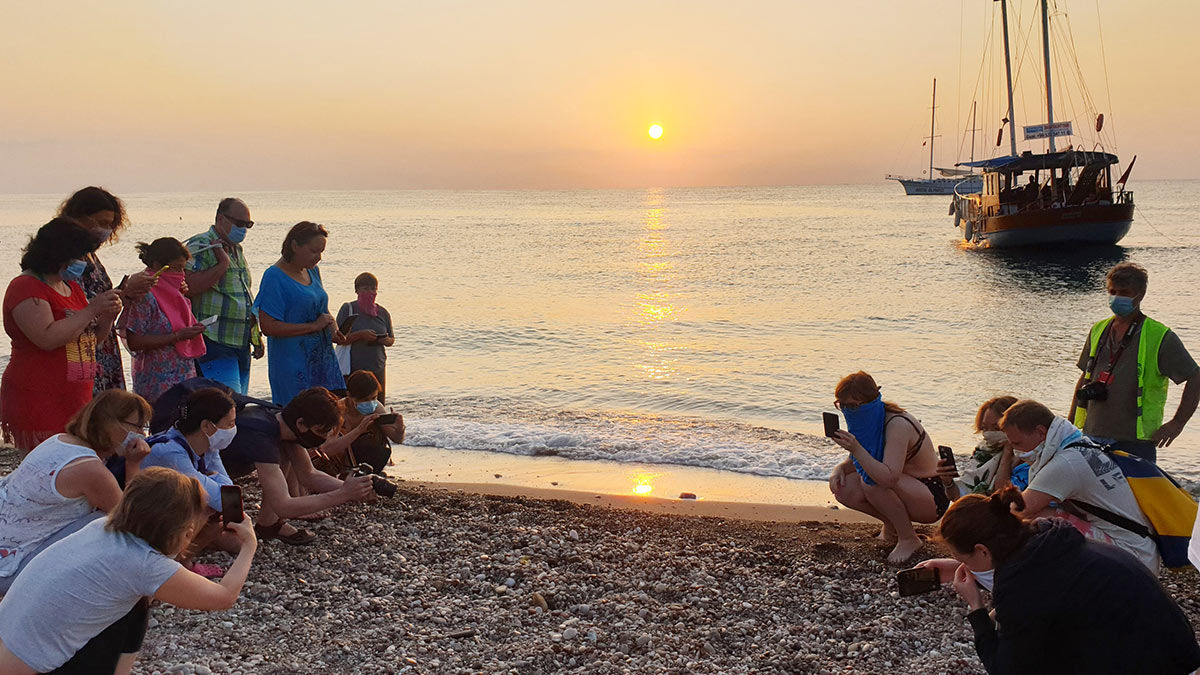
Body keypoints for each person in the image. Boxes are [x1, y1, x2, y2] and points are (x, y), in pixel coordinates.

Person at [0, 467, 259, 674]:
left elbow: (164, 562)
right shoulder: (142, 564)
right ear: (181, 528)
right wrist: (249, 545)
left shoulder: (103, 527)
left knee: (138, 604)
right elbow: (224, 596)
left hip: (8, 642)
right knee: (138, 607)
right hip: (32, 667)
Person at [927, 488, 1200, 674]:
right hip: (1176, 652)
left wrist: (976, 608)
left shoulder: (1024, 583)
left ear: (983, 550)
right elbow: (1045, 596)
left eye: (960, 556)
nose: (961, 563)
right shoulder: (1050, 542)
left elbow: (1004, 667)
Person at [152, 381, 375, 546]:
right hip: (179, 485)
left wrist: (359, 488)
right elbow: (283, 505)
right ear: (301, 423)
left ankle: (268, 525)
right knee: (240, 541)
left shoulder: (283, 422)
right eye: (320, 432)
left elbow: (309, 474)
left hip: (209, 475)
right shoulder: (261, 435)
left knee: (241, 537)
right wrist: (343, 495)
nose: (322, 440)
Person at [0, 390, 152, 594]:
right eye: (138, 427)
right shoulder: (91, 470)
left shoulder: (59, 440)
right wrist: (133, 464)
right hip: (14, 571)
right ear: (112, 424)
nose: (142, 435)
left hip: (8, 549)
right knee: (105, 523)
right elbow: (132, 522)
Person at [0, 218, 122, 452]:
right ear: (58, 254)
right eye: (78, 256)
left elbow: (88, 341)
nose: (83, 262)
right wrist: (92, 309)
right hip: (40, 395)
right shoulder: (26, 286)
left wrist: (106, 317)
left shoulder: (71, 286)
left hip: (76, 396)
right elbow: (46, 338)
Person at [999, 399, 1159, 571]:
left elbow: (1018, 509)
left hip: (1131, 556)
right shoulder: (1080, 445)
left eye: (1017, 443)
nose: (1016, 451)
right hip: (1142, 546)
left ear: (1040, 432)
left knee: (1039, 517)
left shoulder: (1066, 463)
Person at [1070, 262, 1199, 463]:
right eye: (1112, 291)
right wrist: (1069, 428)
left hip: (1135, 440)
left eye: (1124, 292)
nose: (1116, 297)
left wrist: (1178, 423)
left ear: (1140, 294)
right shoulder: (1099, 330)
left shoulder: (1159, 336)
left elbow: (1195, 376)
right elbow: (1084, 378)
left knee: (1134, 495)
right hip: (1092, 433)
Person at [827, 371, 945, 564]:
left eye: (852, 406)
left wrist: (856, 448)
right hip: (907, 487)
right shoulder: (870, 421)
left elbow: (888, 477)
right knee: (844, 487)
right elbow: (862, 462)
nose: (848, 411)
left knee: (872, 483)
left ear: (870, 401)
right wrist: (839, 469)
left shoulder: (896, 423)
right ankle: (892, 526)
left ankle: (908, 538)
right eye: (842, 406)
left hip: (931, 495)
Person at [57, 187, 157, 394]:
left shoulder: (91, 255)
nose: (106, 230)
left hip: (103, 347)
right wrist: (125, 290)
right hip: (80, 352)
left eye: (110, 225)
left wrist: (126, 294)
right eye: (101, 223)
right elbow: (72, 306)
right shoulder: (64, 258)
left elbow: (102, 305)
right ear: (79, 218)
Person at [254, 221, 346, 405]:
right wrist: (312, 327)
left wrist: (334, 331)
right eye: (314, 251)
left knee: (331, 418)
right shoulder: (274, 276)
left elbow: (323, 311)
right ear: (295, 245)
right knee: (301, 419)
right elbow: (268, 326)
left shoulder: (313, 272)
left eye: (321, 252)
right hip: (293, 366)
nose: (318, 257)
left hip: (323, 362)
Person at [185, 198, 263, 395]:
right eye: (240, 224)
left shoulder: (236, 249)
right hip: (214, 340)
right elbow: (188, 286)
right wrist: (222, 264)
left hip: (240, 342)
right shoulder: (201, 244)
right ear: (221, 219)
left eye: (248, 224)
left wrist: (255, 336)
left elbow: (244, 294)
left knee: (238, 406)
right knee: (224, 405)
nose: (244, 229)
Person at [122, 238, 207, 403]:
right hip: (157, 379)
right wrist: (177, 336)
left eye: (182, 268)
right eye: (175, 268)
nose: (180, 274)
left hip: (183, 375)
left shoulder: (174, 290)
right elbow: (134, 341)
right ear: (156, 265)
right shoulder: (145, 293)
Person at [938, 396, 1028, 499]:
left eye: (996, 428)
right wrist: (948, 482)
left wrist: (1007, 453)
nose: (988, 434)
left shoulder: (1028, 459)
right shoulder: (983, 453)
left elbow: (1002, 495)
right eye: (984, 428)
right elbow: (958, 497)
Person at [326, 370, 405, 474]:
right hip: (338, 463)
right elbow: (326, 450)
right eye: (364, 399)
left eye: (374, 397)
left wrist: (400, 429)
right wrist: (358, 430)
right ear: (349, 395)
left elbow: (397, 439)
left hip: (367, 459)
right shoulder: (338, 412)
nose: (370, 402)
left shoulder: (376, 407)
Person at [335, 273, 395, 402]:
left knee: (377, 404)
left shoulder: (382, 312)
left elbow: (391, 339)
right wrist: (360, 335)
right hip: (353, 368)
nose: (370, 292)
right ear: (357, 290)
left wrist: (385, 340)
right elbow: (338, 338)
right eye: (366, 289)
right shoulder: (348, 309)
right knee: (352, 404)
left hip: (377, 366)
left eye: (373, 289)